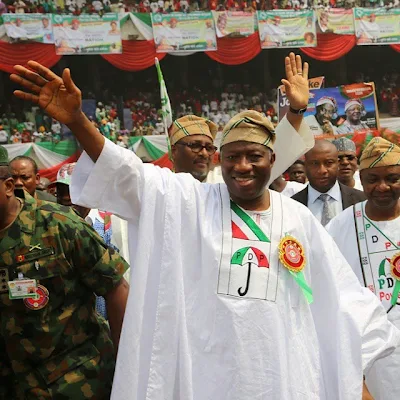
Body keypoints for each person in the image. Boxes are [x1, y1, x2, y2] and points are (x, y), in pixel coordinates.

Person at [11, 53, 400, 400]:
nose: (242, 166)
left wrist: (361, 369)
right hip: (208, 371)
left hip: (281, 371)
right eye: (232, 157)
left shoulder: (296, 217)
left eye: (254, 156)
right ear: (219, 159)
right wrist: (78, 121)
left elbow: (337, 293)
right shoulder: (189, 200)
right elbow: (127, 172)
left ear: (273, 159)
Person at [0, 145, 130, 399]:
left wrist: (127, 367)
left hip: (76, 383)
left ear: (8, 186)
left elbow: (117, 288)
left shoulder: (59, 225)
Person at [326, 137, 400, 400]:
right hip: (373, 355)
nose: (382, 187)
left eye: (392, 178)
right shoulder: (340, 226)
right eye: (372, 179)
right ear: (361, 179)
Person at [292, 140, 366, 226]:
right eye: (315, 163)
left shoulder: (362, 200)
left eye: (329, 163)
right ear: (305, 166)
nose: (322, 170)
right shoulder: (292, 206)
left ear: (338, 164)